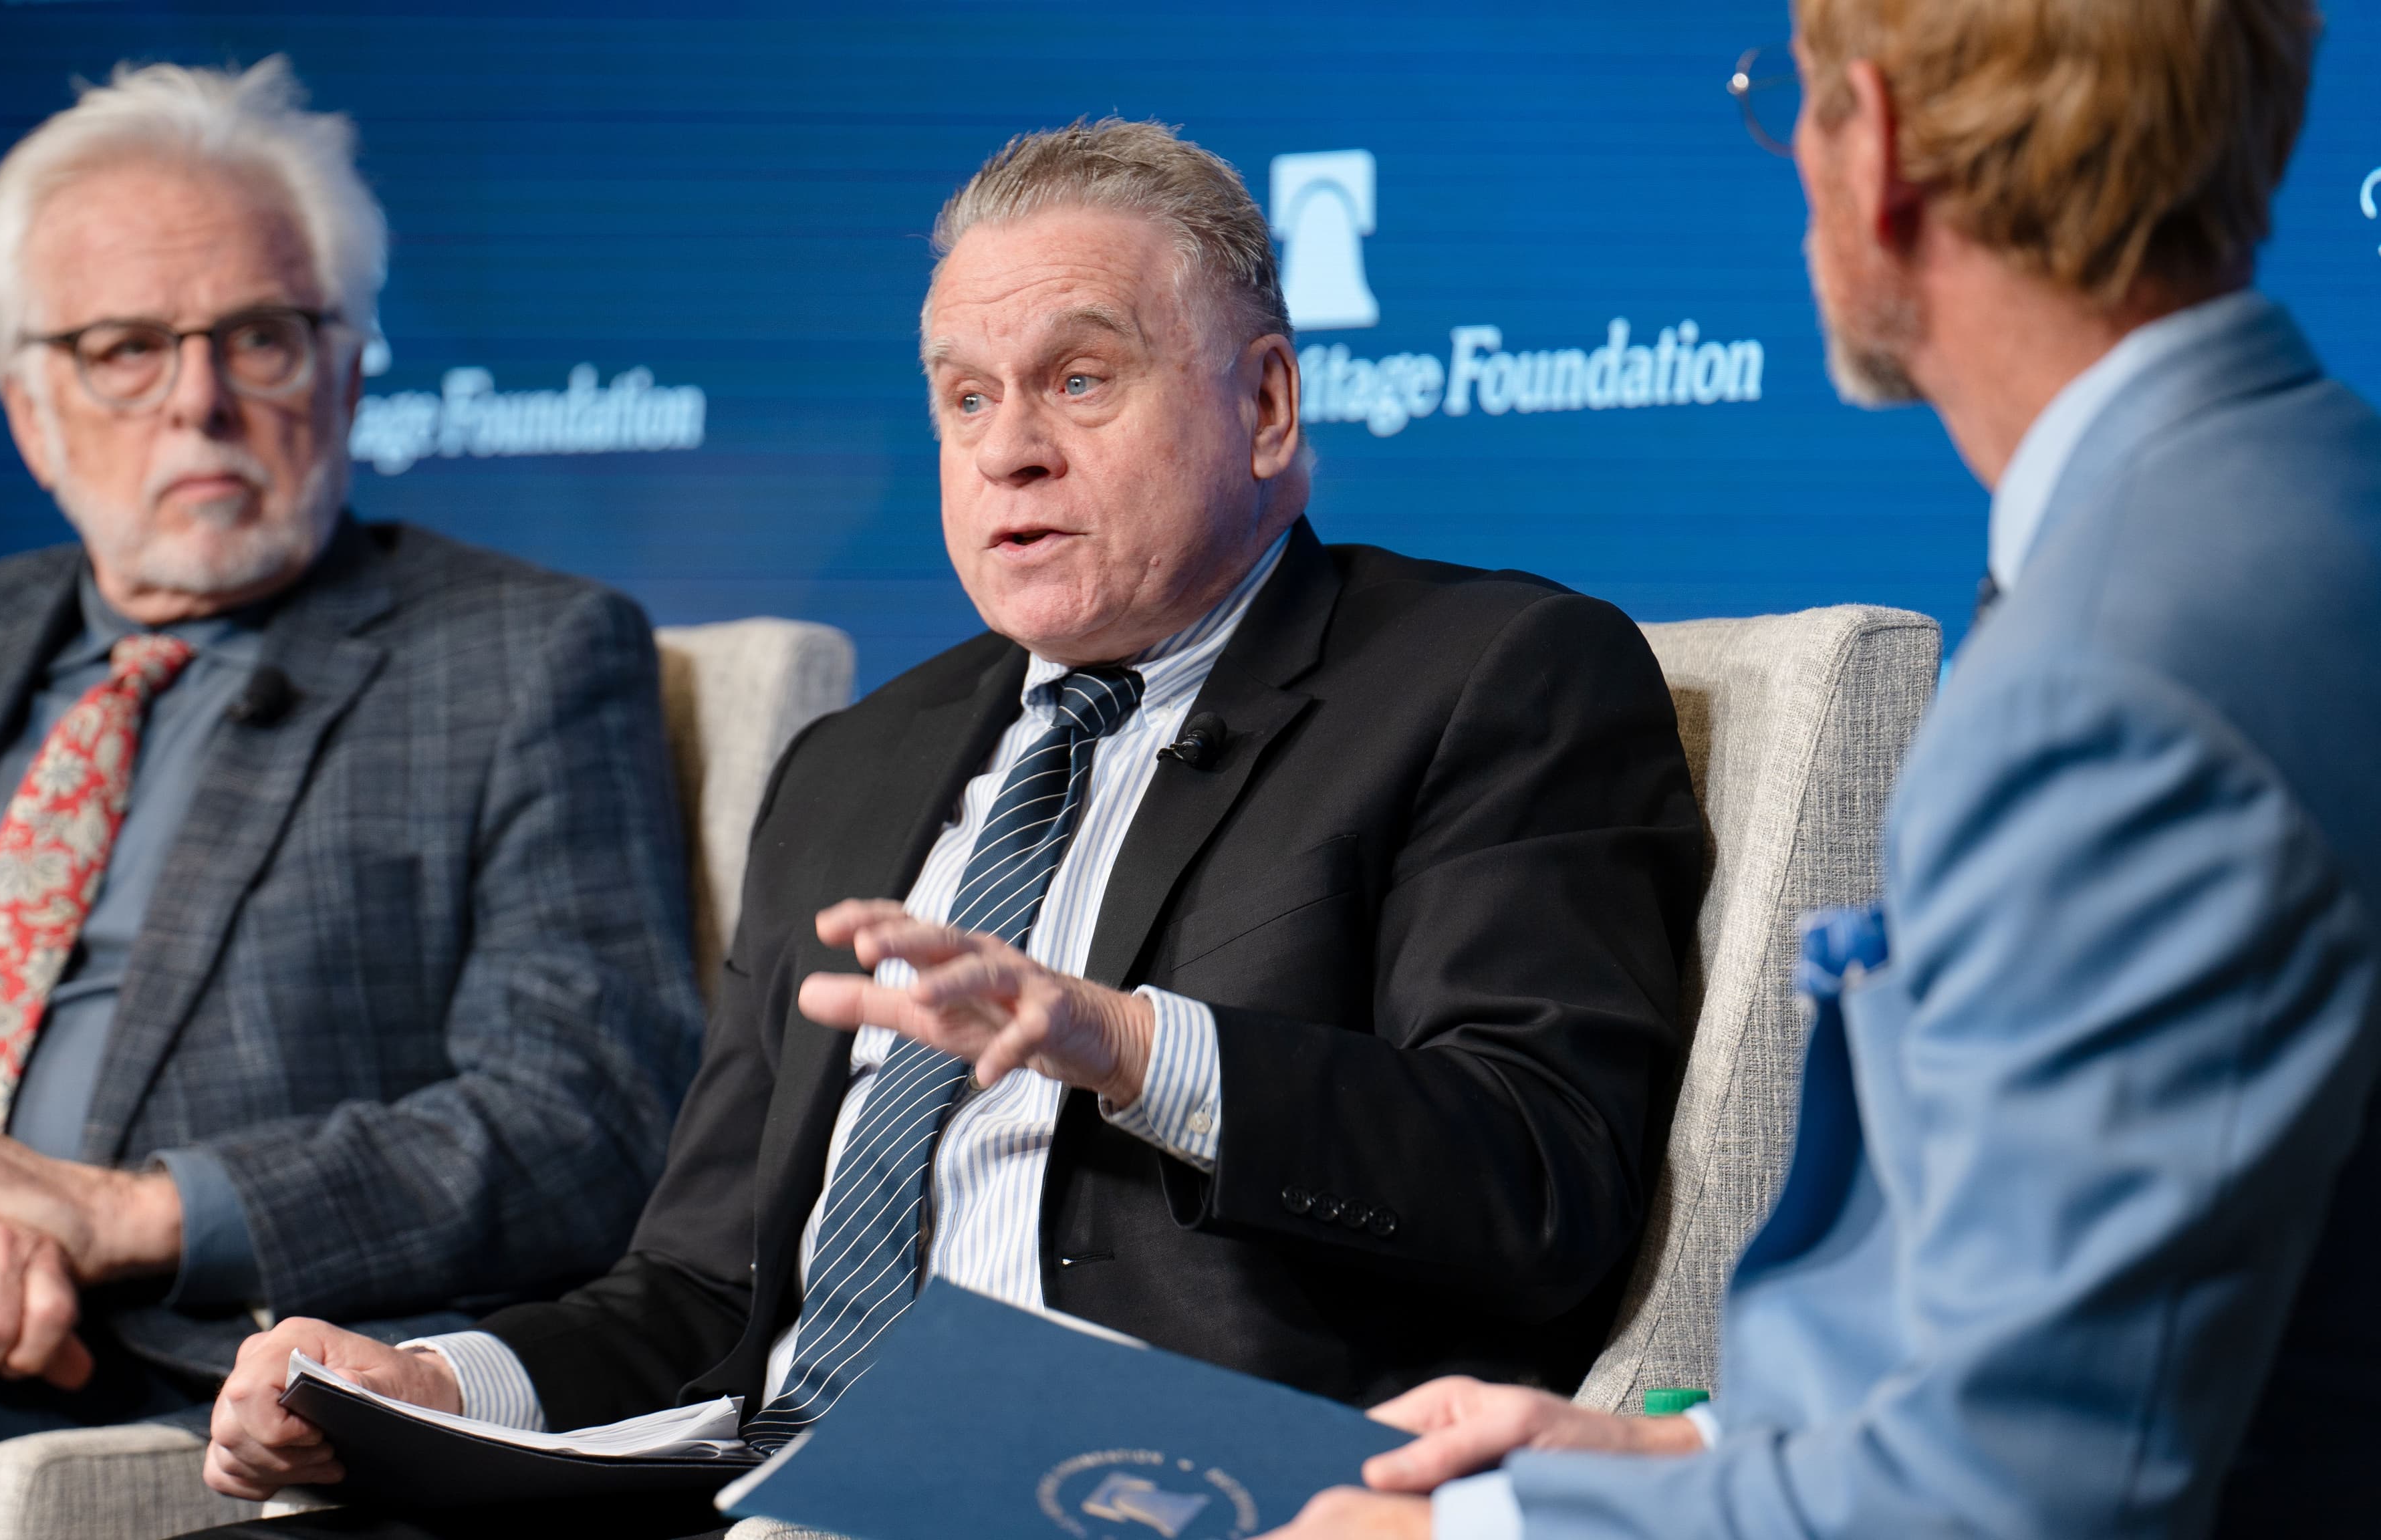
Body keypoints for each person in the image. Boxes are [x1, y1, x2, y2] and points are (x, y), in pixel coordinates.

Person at [187, 118, 1705, 1537]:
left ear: (1263, 404)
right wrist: (439, 1385)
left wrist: (1129, 1047)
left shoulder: (1486, 678)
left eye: (1081, 380)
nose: (1007, 450)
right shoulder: (855, 766)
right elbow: (706, 1288)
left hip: (1126, 1492)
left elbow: (1542, 1178)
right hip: (747, 1486)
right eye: (966, 398)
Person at [1270, 1, 2381, 1537]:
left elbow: (2019, 1495)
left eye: (1787, 102)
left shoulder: (2109, 684)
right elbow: (2097, 1306)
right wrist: (1671, 1453)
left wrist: (1475, 1533)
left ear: (1883, 149)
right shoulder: (2300, 505)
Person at [0, 57, 701, 1535]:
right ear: (30, 410)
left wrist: (119, 1214)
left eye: (262, 339)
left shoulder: (522, 656)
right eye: (123, 349)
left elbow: (589, 1117)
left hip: (149, 1349)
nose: (200, 403)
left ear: (348, 370)